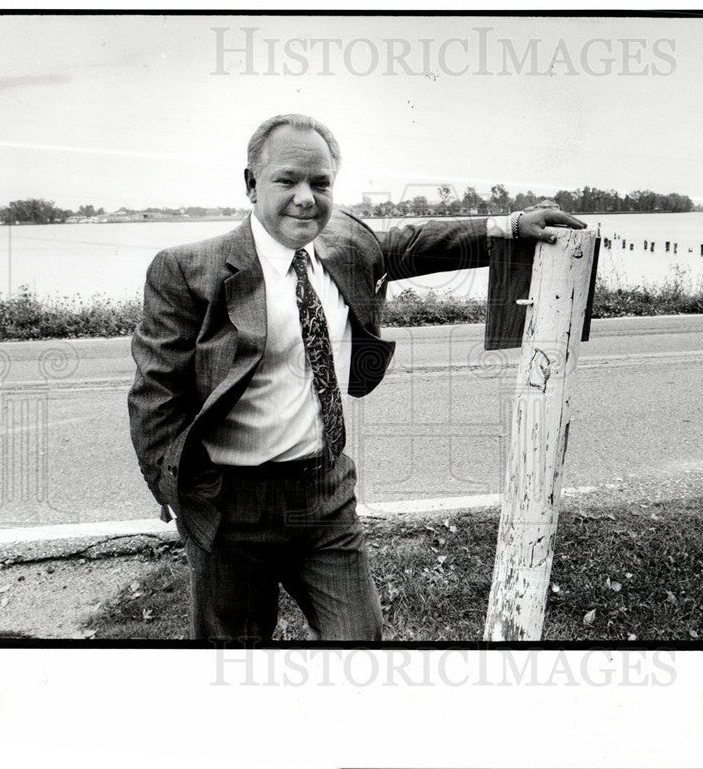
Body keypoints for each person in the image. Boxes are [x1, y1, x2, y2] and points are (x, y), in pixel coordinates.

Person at [127, 113, 584, 641]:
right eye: (287, 180)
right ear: (251, 184)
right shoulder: (188, 270)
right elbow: (156, 393)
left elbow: (410, 245)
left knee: (360, 642)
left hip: (323, 496)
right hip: (230, 505)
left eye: (320, 183)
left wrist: (506, 226)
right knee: (233, 657)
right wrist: (172, 487)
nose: (305, 198)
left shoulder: (344, 243)